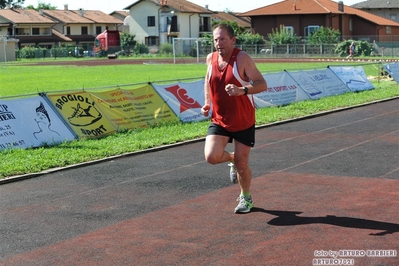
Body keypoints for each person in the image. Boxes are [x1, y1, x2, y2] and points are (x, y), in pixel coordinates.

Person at [201, 24, 267, 213]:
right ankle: (232, 158)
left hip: (243, 119)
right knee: (211, 157)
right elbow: (208, 80)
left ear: (232, 40)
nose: (218, 43)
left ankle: (246, 197)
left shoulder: (242, 59)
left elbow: (262, 84)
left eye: (222, 39)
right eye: (215, 39)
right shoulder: (211, 58)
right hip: (219, 119)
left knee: (242, 163)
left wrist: (242, 91)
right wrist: (207, 103)